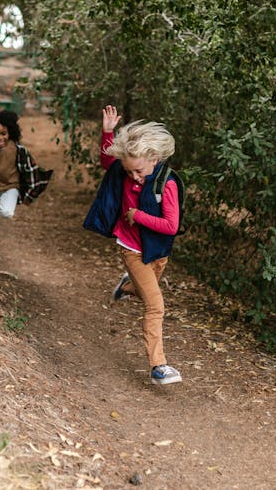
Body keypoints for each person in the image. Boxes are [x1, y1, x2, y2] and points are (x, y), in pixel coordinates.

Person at [83, 105, 184, 385]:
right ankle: (158, 366)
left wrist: (138, 215)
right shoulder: (126, 171)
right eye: (129, 172)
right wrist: (107, 132)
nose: (133, 177)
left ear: (154, 158)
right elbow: (108, 164)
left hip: (158, 251)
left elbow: (171, 227)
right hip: (132, 248)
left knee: (145, 291)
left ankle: (127, 286)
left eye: (138, 171)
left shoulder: (168, 184)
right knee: (155, 305)